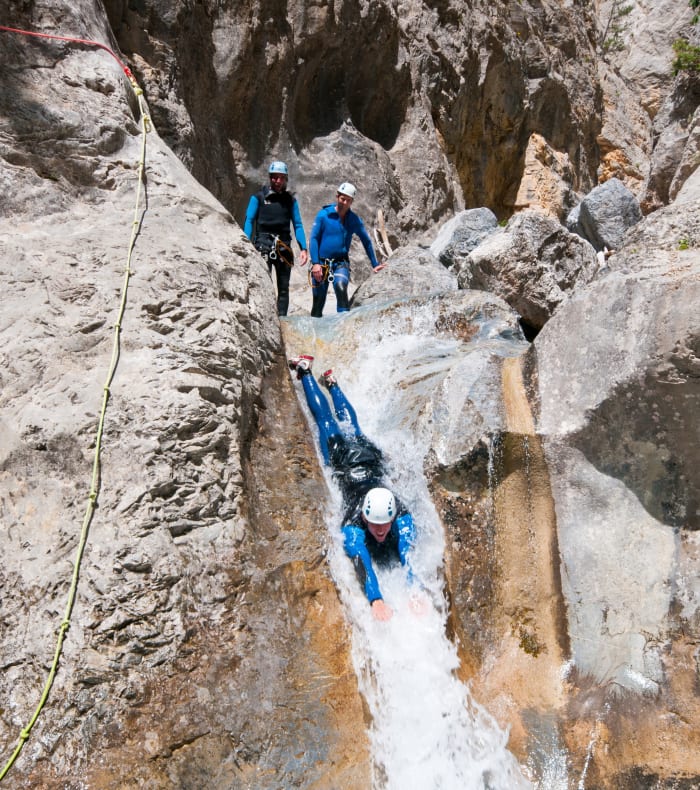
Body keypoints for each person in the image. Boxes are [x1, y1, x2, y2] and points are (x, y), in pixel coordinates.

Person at [288, 353, 420, 621]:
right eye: (375, 525)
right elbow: (361, 560)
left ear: (394, 515)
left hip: (370, 461)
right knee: (327, 423)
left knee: (353, 428)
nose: (381, 531)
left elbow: (408, 555)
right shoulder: (353, 523)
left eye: (385, 524)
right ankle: (307, 372)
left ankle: (332, 383)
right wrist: (376, 599)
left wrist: (415, 590)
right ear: (364, 517)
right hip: (345, 463)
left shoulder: (402, 516)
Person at [308, 182, 385, 317]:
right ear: (337, 197)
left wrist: (375, 264)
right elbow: (314, 238)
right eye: (342, 199)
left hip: (341, 263)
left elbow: (366, 241)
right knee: (318, 301)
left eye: (348, 200)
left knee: (341, 288)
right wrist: (315, 263)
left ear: (351, 202)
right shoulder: (324, 215)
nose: (344, 202)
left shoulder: (354, 220)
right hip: (321, 263)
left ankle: (344, 326)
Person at [244, 161, 309, 316]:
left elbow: (298, 224)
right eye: (275, 177)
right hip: (262, 244)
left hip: (283, 246)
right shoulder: (258, 197)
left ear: (285, 179)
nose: (278, 181)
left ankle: (282, 319)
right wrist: (245, 242)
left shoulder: (290, 201)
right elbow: (249, 220)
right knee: (263, 285)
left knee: (284, 288)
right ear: (270, 178)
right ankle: (266, 318)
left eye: (281, 178)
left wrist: (303, 249)